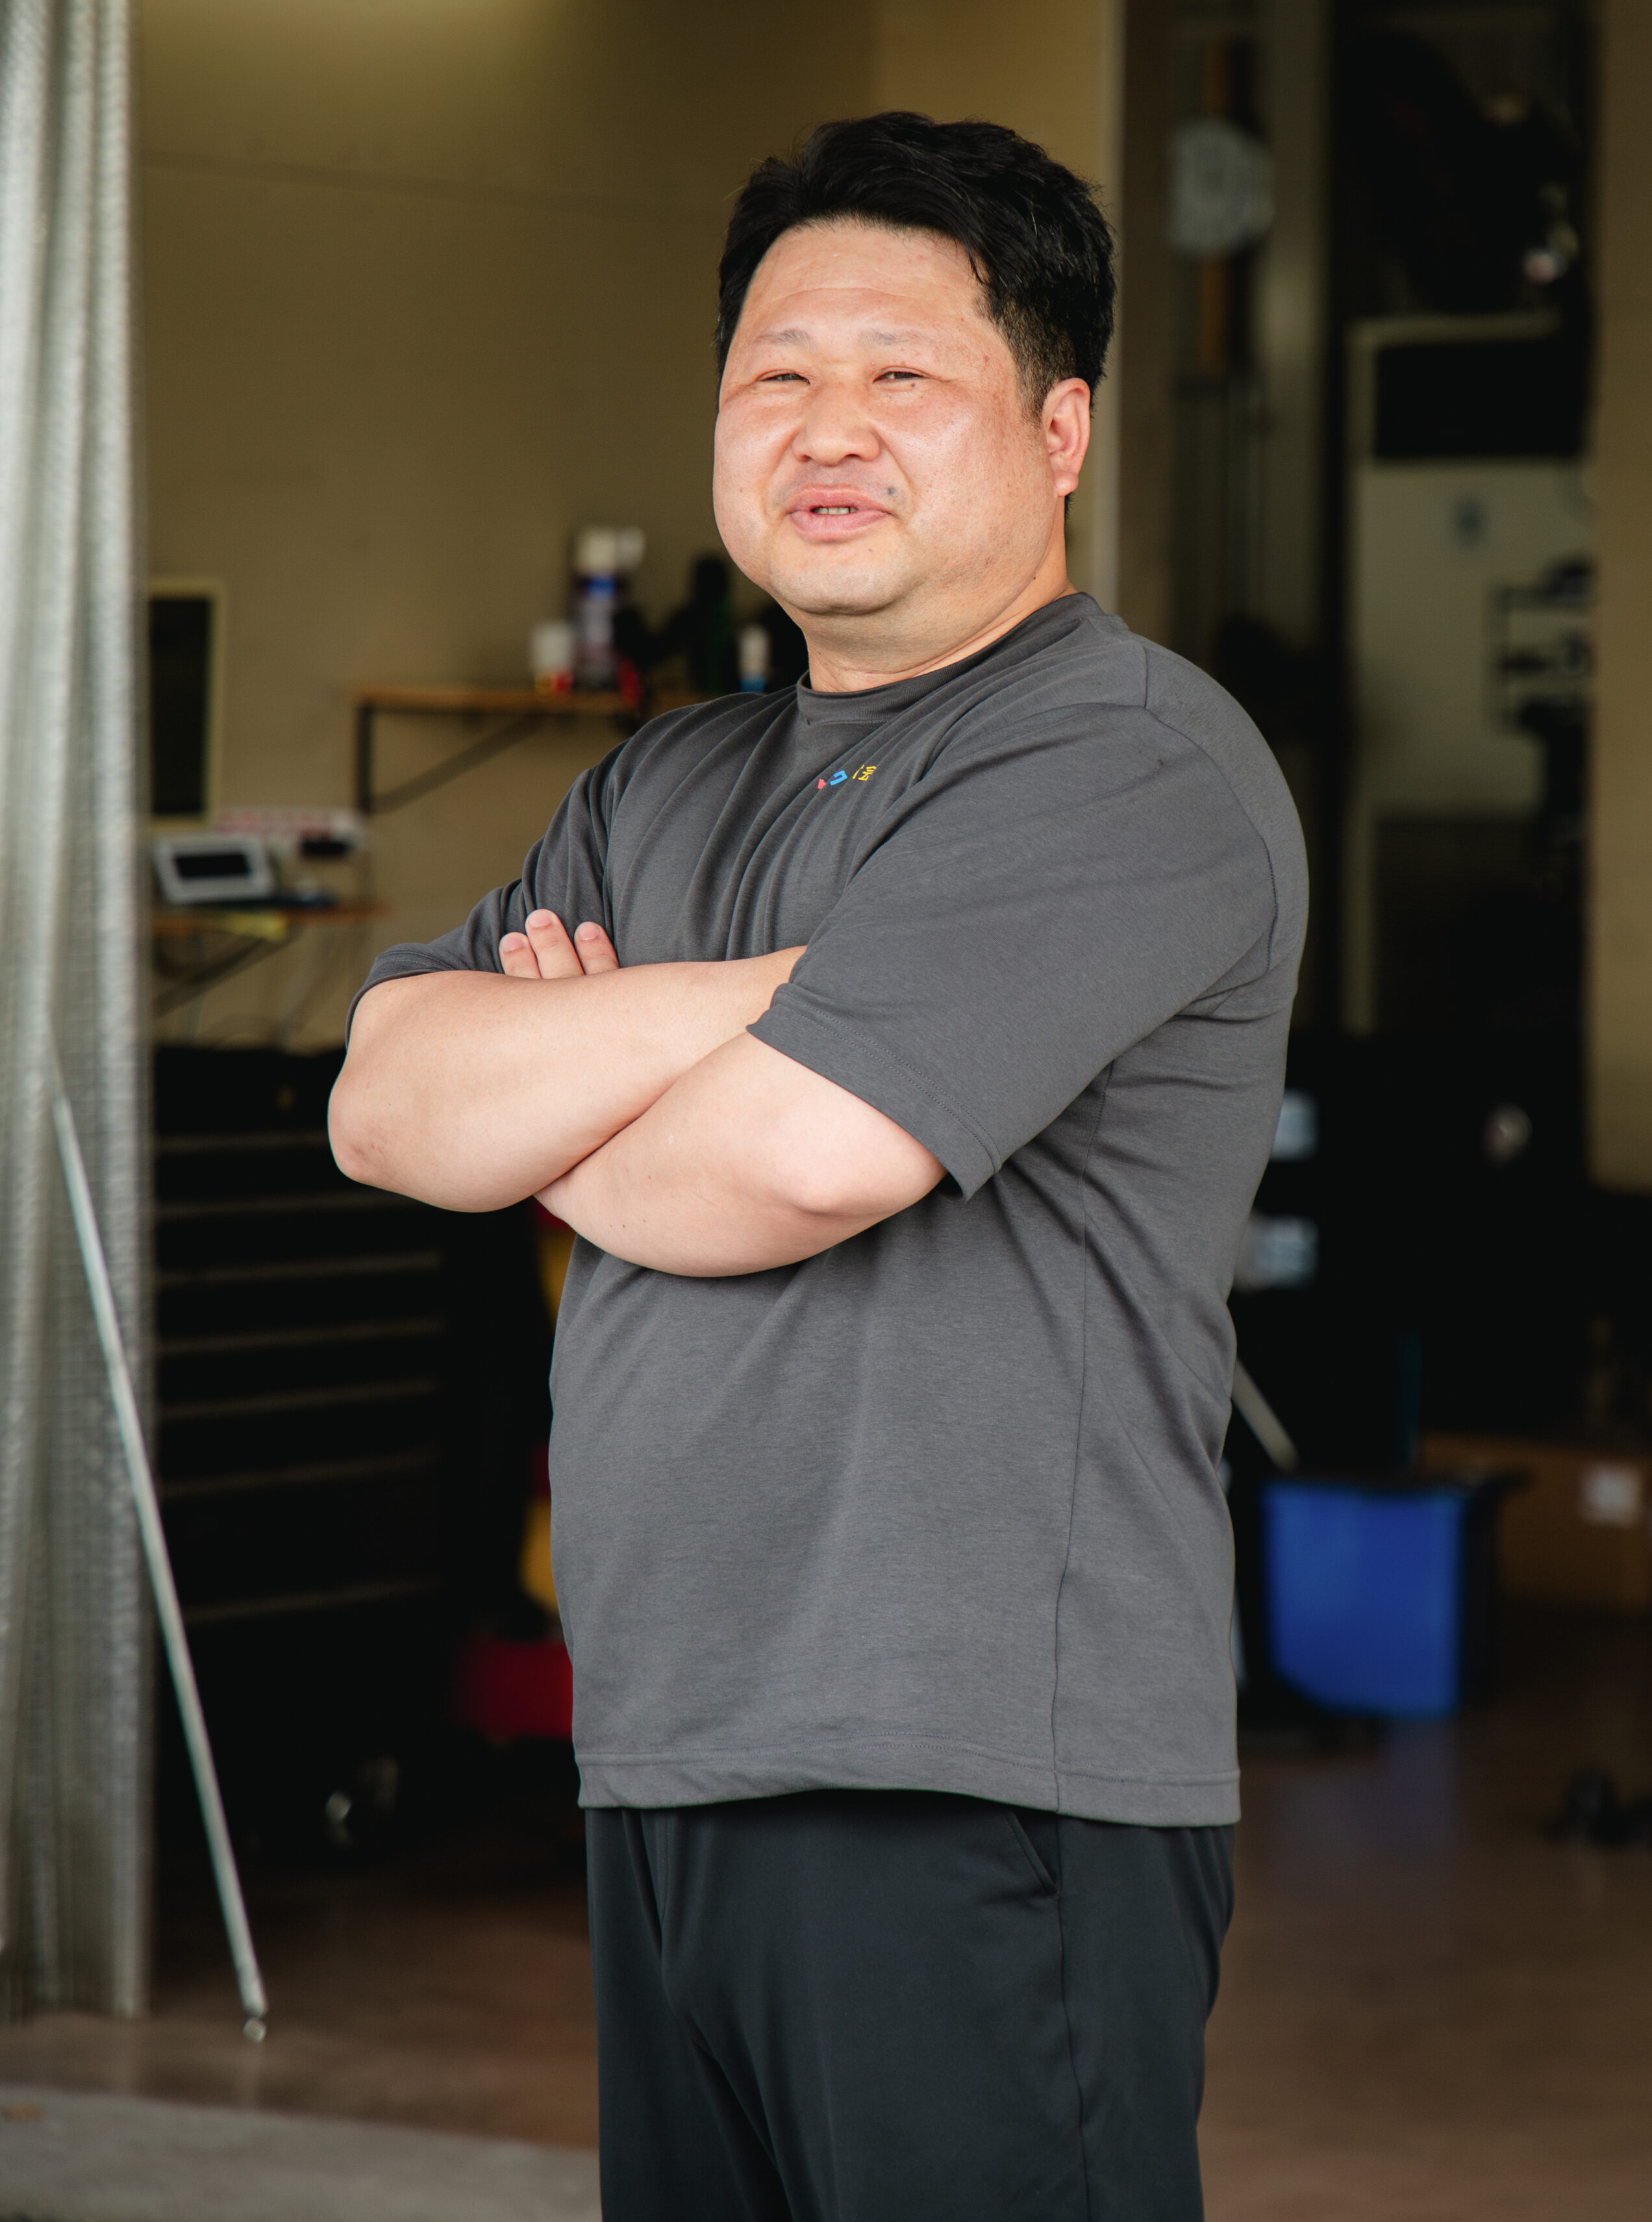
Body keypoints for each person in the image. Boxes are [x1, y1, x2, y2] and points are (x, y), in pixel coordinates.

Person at [329, 112, 1307, 2221]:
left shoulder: (1123, 762)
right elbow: (389, 1108)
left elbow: (777, 1165)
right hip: (672, 1743)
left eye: (901, 375)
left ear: (1057, 431)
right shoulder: (663, 782)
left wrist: (567, 1102)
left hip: (973, 1773)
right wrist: (783, 991)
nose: (825, 429)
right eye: (775, 375)